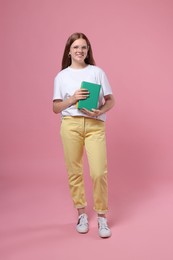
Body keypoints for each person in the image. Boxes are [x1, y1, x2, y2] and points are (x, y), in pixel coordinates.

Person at [53, 32, 115, 238]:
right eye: (76, 47)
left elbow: (111, 100)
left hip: (95, 125)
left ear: (88, 51)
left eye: (84, 47)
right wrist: (72, 99)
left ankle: (102, 217)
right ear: (69, 51)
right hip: (70, 125)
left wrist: (101, 111)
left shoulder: (97, 72)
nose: (80, 51)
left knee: (99, 172)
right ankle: (81, 214)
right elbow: (55, 107)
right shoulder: (61, 77)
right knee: (75, 172)